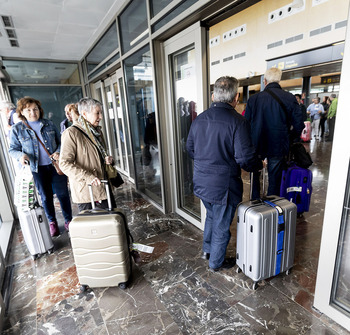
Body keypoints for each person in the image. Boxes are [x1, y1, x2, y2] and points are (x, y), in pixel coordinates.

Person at [186, 76, 262, 272]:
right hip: (223, 186)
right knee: (221, 225)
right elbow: (245, 158)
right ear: (236, 97)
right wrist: (258, 165)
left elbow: (190, 149)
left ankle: (207, 250)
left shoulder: (199, 119)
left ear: (213, 96)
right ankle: (215, 263)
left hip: (201, 181)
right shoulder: (238, 122)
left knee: (212, 216)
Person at [9, 97, 72, 236]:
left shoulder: (48, 124)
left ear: (40, 110)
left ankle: (68, 221)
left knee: (63, 194)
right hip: (37, 169)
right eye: (29, 110)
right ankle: (52, 223)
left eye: (35, 109)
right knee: (46, 196)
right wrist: (21, 156)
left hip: (55, 166)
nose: (33, 112)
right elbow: (12, 149)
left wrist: (57, 152)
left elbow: (61, 142)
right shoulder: (17, 129)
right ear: (22, 112)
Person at [245, 67, 304, 199]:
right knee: (274, 177)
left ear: (265, 81)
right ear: (279, 80)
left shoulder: (254, 99)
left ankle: (254, 202)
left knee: (255, 174)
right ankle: (271, 207)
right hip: (278, 144)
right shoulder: (289, 98)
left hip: (256, 143)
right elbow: (299, 124)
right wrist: (290, 138)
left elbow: (246, 123)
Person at [59, 97, 116, 212]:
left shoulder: (97, 131)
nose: (101, 117)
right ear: (84, 114)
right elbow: (64, 164)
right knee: (91, 227)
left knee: (114, 223)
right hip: (86, 191)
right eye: (97, 113)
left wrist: (107, 160)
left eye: (101, 113)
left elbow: (96, 155)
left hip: (103, 187)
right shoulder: (71, 133)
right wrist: (88, 177)